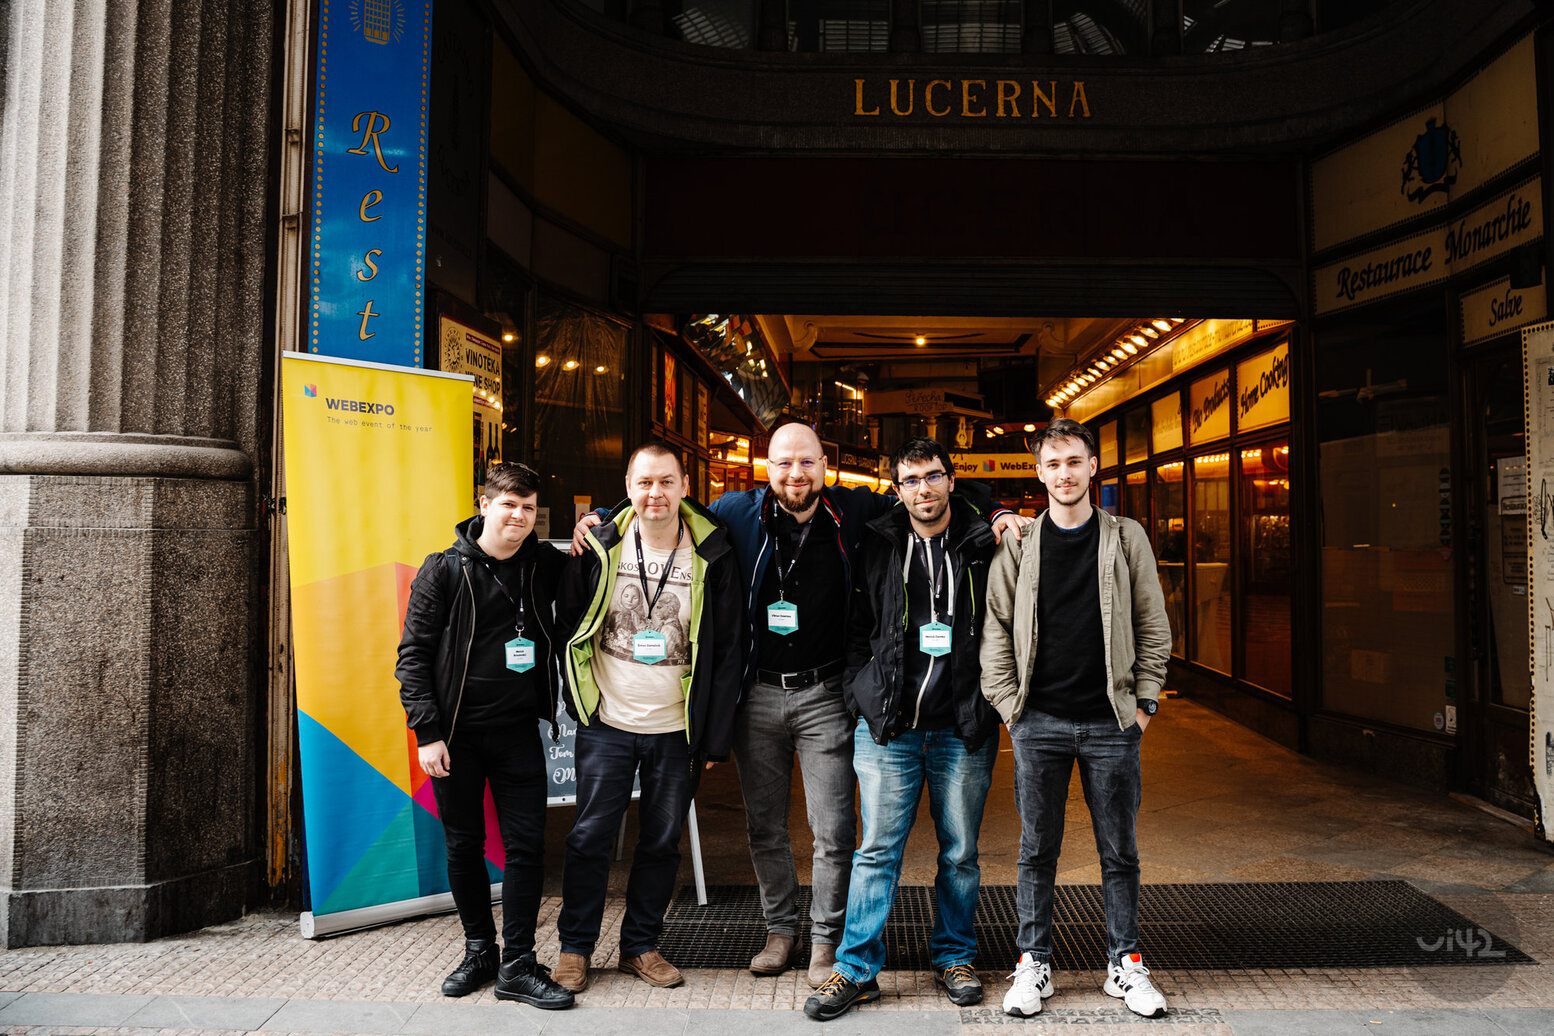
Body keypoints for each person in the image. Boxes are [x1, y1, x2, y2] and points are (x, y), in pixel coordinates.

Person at [572, 422, 1028, 985]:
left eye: (807, 462)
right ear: (767, 469)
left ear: (824, 466)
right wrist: (602, 516)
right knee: (764, 826)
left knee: (834, 831)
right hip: (756, 695)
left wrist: (1000, 508)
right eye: (785, 463)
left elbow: (929, 488)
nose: (796, 473)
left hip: (826, 696)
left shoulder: (855, 511)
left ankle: (825, 940)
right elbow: (659, 497)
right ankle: (780, 930)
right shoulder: (734, 513)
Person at [979, 418, 1173, 1019]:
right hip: (1039, 722)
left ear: (1093, 468)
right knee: (1037, 849)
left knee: (1120, 850)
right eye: (1052, 464)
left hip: (1111, 722)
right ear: (1038, 473)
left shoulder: (1126, 537)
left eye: (1074, 462)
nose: (1064, 474)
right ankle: (1033, 963)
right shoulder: (1017, 544)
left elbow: (1152, 623)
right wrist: (1012, 709)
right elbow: (995, 630)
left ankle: (1126, 964)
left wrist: (1144, 705)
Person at [804, 439, 1001, 1020]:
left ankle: (955, 957)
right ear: (897, 486)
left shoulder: (983, 541)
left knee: (960, 853)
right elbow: (857, 626)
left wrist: (992, 703)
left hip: (963, 726)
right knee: (875, 853)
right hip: (890, 728)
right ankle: (857, 968)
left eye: (934, 476)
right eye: (911, 478)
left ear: (951, 480)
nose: (924, 489)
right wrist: (858, 694)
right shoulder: (879, 541)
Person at [552, 441, 744, 993]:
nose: (654, 494)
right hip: (608, 721)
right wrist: (578, 701)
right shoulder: (599, 542)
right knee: (589, 836)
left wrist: (712, 736)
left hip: (674, 730)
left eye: (666, 482)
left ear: (685, 485)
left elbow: (728, 648)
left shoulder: (712, 551)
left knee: (661, 842)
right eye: (644, 483)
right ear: (629, 486)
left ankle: (641, 944)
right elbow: (569, 621)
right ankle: (575, 947)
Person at [395, 462, 575, 1009]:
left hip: (519, 731)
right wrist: (428, 732)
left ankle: (518, 961)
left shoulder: (543, 563)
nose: (520, 516)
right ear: (484, 505)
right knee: (463, 844)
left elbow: (596, 558)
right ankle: (480, 949)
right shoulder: (443, 570)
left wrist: (596, 524)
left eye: (528, 507)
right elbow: (413, 657)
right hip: (456, 736)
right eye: (509, 505)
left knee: (525, 847)